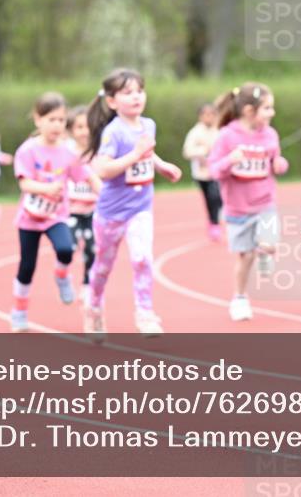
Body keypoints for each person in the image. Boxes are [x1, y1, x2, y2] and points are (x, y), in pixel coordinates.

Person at [86, 69, 182, 338]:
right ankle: (94, 307)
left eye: (139, 91)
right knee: (103, 267)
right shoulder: (113, 133)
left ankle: (145, 313)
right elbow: (103, 170)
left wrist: (161, 165)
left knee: (142, 259)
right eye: (127, 93)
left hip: (140, 209)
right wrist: (136, 154)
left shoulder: (148, 125)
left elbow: (148, 153)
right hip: (111, 213)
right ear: (112, 101)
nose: (136, 97)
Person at [9, 92, 91, 333]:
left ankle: (61, 275)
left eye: (61, 120)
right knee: (27, 267)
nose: (57, 125)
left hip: (56, 216)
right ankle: (19, 311)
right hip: (30, 218)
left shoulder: (68, 153)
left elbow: (85, 176)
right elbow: (24, 183)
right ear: (38, 120)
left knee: (66, 249)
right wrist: (47, 188)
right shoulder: (28, 150)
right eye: (51, 119)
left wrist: (105, 193)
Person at [208, 83, 289, 321]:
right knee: (245, 256)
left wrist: (280, 165)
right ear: (249, 111)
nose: (272, 113)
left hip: (265, 204)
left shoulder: (270, 134)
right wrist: (229, 161)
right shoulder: (227, 136)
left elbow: (277, 161)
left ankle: (265, 252)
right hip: (238, 208)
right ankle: (240, 298)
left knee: (269, 244)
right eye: (267, 108)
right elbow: (213, 170)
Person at [65, 107, 103, 311]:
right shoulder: (67, 153)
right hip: (70, 210)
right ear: (71, 130)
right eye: (79, 127)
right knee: (69, 247)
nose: (84, 131)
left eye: (88, 126)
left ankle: (87, 285)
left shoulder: (100, 153)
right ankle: (64, 276)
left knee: (92, 249)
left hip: (93, 210)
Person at [182, 103, 223, 242]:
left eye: (212, 114)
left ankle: (215, 221)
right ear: (200, 116)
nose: (209, 117)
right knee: (209, 198)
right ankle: (212, 221)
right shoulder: (195, 133)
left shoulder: (218, 131)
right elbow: (187, 151)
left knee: (216, 196)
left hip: (216, 172)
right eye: (206, 115)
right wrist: (202, 151)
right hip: (201, 173)